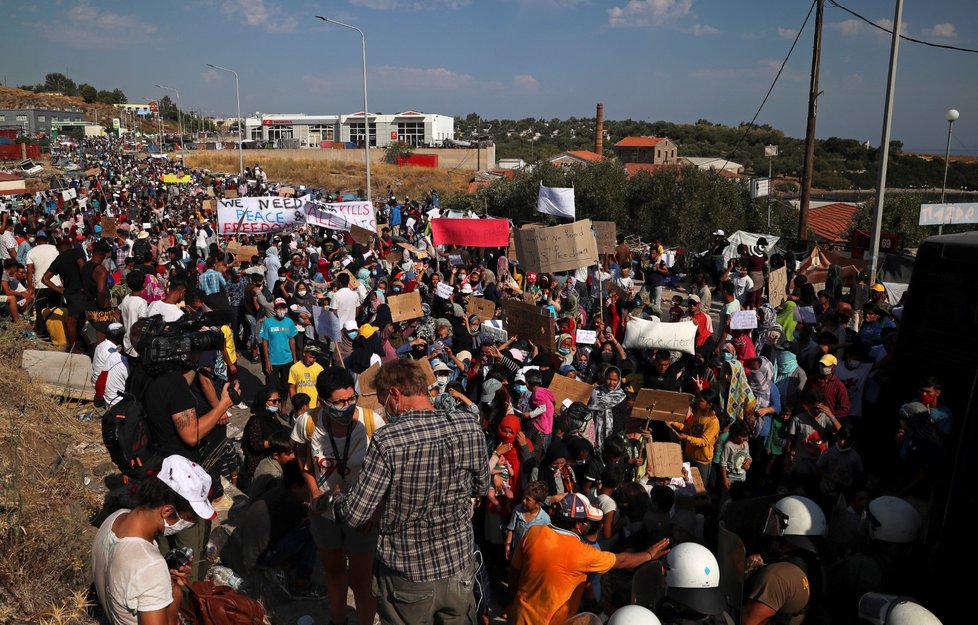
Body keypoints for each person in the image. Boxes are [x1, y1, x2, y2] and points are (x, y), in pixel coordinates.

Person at [328, 359, 488, 625]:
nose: (386, 410)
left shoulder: (388, 440)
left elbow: (356, 515)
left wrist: (337, 499)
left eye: (383, 402)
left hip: (408, 575)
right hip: (459, 567)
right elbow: (480, 486)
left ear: (394, 394)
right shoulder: (468, 425)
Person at [294, 367, 385, 625]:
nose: (346, 406)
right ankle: (338, 620)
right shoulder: (308, 423)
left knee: (361, 578)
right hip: (324, 511)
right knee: (333, 571)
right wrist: (313, 490)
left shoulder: (371, 423)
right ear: (322, 402)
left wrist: (376, 509)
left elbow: (386, 470)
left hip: (363, 512)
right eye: (338, 402)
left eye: (350, 399)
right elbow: (301, 456)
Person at [508, 492, 671, 625]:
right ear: (579, 525)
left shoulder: (533, 532)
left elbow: (515, 571)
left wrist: (512, 601)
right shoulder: (583, 553)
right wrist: (648, 555)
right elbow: (620, 561)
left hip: (519, 616)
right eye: (586, 521)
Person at [91, 454, 216, 625]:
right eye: (190, 518)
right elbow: (145, 571)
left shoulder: (114, 519)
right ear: (166, 511)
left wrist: (164, 579)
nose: (191, 523)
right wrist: (175, 593)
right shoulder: (150, 566)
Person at [260, 297, 298, 393]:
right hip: (273, 362)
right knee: (271, 387)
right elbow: (264, 342)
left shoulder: (289, 322)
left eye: (283, 307)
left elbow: (292, 341)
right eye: (279, 308)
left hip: (287, 360)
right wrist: (267, 361)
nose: (281, 310)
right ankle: (272, 405)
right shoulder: (267, 322)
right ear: (275, 309)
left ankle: (283, 408)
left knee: (285, 386)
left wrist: (294, 358)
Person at [288, 344, 324, 409]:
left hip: (314, 406)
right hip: (301, 406)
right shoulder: (294, 368)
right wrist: (295, 403)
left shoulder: (319, 369)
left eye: (314, 358)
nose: (311, 360)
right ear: (304, 353)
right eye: (310, 357)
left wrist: (319, 403)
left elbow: (321, 388)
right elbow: (292, 388)